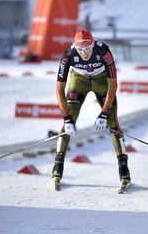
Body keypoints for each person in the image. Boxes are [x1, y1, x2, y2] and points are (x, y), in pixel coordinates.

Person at [52, 29, 131, 191]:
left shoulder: (103, 51)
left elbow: (113, 86)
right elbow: (59, 89)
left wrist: (104, 112)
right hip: (78, 80)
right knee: (70, 119)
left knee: (112, 122)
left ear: (93, 46)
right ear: (76, 47)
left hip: (101, 80)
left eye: (87, 49)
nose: (84, 53)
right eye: (81, 50)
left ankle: (124, 171)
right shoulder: (68, 54)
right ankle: (57, 167)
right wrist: (67, 118)